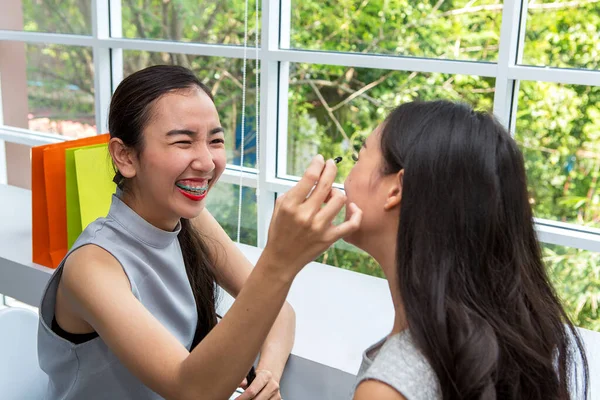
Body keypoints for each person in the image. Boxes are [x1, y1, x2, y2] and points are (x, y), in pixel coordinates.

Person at [37, 65, 362, 400]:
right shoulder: (92, 265)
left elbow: (279, 311)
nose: (207, 162)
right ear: (125, 156)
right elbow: (190, 389)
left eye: (215, 140)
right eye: (183, 141)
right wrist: (280, 257)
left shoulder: (191, 221)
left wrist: (266, 376)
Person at [346, 100, 589, 400]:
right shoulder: (491, 342)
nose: (346, 176)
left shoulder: (388, 388)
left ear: (395, 190)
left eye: (358, 157)